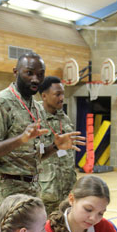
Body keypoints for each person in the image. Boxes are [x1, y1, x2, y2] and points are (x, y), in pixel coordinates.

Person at [0, 52, 80, 216]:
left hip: (33, 188)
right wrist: (20, 139)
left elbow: (33, 155)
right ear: (16, 72)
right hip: (7, 190)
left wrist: (55, 147)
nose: (35, 79)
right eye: (29, 73)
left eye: (40, 74)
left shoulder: (36, 108)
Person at [37, 77, 77, 215]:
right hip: (45, 191)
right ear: (44, 96)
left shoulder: (64, 118)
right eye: (57, 94)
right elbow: (32, 152)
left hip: (67, 189)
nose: (62, 98)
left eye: (63, 94)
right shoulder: (34, 118)